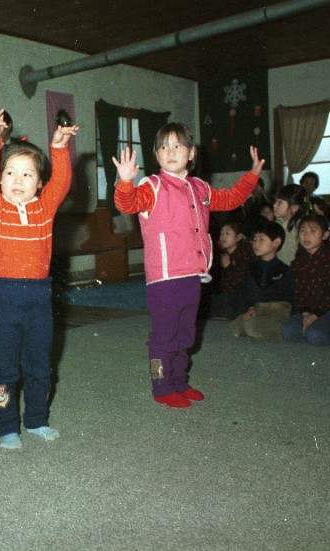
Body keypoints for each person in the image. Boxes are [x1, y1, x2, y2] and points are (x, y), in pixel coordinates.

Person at [113, 122, 264, 408]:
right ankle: (162, 385)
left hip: (193, 275)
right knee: (164, 334)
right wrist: (125, 181)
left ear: (191, 153)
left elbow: (230, 198)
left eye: (178, 146)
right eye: (163, 147)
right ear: (156, 156)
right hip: (165, 278)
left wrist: (252, 176)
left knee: (185, 334)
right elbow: (127, 204)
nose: (170, 152)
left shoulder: (200, 187)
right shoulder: (152, 186)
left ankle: (179, 382)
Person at [0, 104, 78, 449]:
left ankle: (37, 419)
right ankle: (7, 425)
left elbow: (63, 179)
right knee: (4, 368)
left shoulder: (43, 208)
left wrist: (59, 147)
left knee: (40, 364)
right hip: (4, 299)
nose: (17, 181)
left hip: (39, 297)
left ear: (39, 183)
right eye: (9, 173)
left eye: (26, 174)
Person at [280, 214, 330, 345]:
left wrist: (315, 315)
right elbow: (298, 291)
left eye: (313, 231)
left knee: (315, 336)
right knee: (287, 330)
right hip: (308, 310)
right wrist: (305, 314)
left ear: (325, 235)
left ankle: (329, 331)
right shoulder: (298, 261)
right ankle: (311, 329)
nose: (306, 235)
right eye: (303, 231)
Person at [229, 219, 293, 340]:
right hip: (256, 309)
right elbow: (246, 292)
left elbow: (287, 298)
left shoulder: (284, 270)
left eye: (261, 240)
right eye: (254, 240)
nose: (256, 244)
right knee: (235, 327)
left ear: (276, 242)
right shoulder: (251, 266)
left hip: (275, 313)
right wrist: (250, 308)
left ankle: (277, 331)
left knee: (251, 327)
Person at [208, 220, 252, 320]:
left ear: (238, 237)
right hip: (222, 296)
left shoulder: (244, 255)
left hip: (237, 298)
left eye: (227, 234)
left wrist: (228, 267)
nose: (223, 237)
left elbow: (238, 283)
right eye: (221, 233)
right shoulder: (222, 253)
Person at [273, 183, 306, 265]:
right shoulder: (276, 223)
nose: (274, 205)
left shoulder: (301, 228)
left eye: (280, 202)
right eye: (275, 201)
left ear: (294, 208)